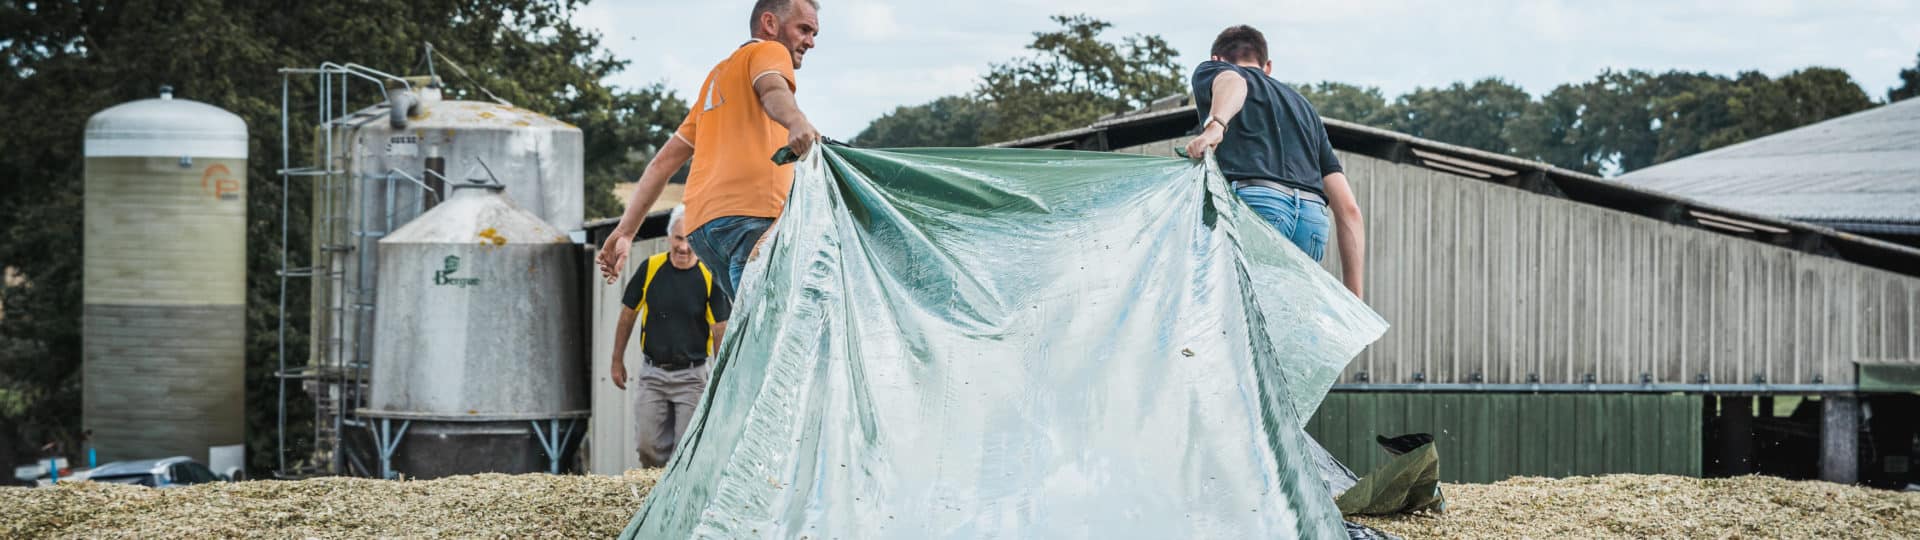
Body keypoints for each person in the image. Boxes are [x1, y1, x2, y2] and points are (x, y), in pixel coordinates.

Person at [597, 0, 823, 302]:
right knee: (778, 332)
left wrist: (626, 232)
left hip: (706, 231)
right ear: (770, 23)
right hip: (753, 220)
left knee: (750, 329)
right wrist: (796, 121)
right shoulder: (769, 52)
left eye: (814, 34)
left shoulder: (716, 80)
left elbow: (662, 164)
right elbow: (773, 90)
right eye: (804, 29)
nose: (810, 42)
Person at [1185, 25, 1366, 298]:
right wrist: (1355, 303)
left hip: (1258, 203)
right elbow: (1349, 209)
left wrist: (1216, 125)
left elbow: (1235, 83)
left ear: (1216, 59)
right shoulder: (1305, 108)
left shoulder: (1217, 71)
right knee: (1286, 324)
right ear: (1267, 66)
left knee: (1237, 317)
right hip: (1312, 219)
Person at [610, 207, 732, 467]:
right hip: (653, 374)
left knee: (685, 451)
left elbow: (719, 329)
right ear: (669, 238)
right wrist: (616, 360)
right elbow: (628, 315)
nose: (684, 247)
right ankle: (654, 493)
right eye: (679, 239)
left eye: (690, 239)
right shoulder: (651, 268)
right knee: (647, 447)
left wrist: (721, 376)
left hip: (692, 377)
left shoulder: (709, 277)